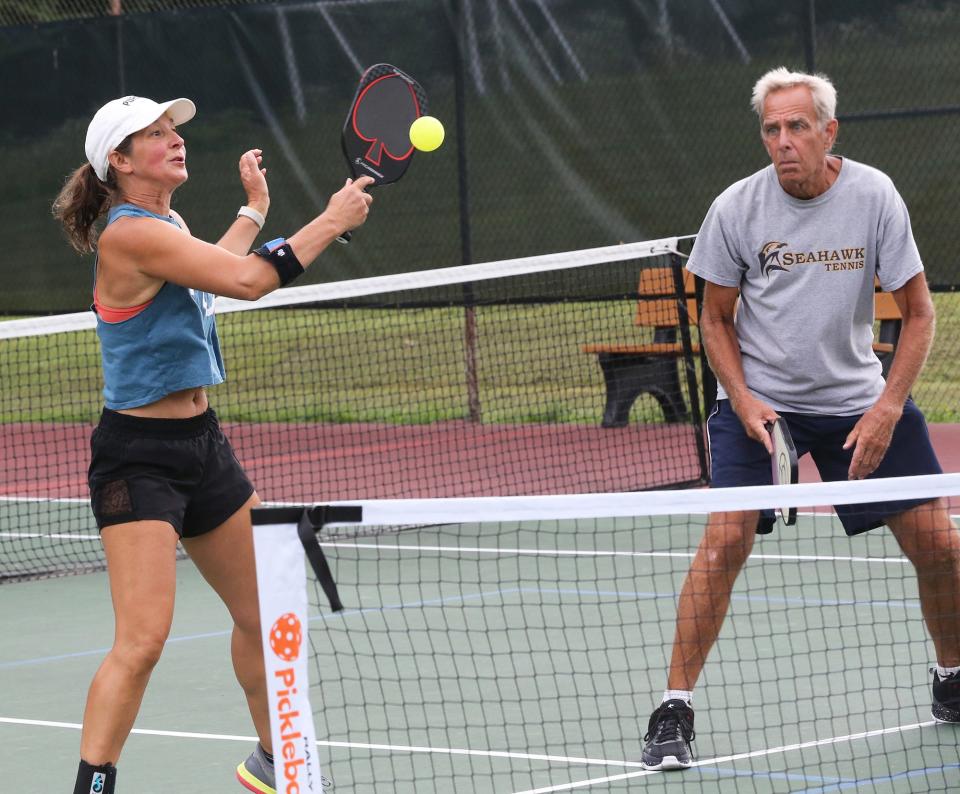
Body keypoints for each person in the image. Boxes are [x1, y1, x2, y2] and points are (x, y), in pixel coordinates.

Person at [640, 67, 960, 771]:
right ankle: (673, 708)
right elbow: (714, 319)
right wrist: (747, 399)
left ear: (828, 131)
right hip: (762, 410)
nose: (784, 142)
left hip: (856, 402)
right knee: (724, 543)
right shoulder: (736, 209)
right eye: (772, 130)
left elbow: (920, 312)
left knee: (940, 547)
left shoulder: (874, 195)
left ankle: (951, 678)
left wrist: (886, 408)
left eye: (797, 127)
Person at [52, 95, 374, 794]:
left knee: (265, 613)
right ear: (120, 159)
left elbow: (209, 273)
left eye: (175, 131)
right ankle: (93, 787)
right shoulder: (127, 234)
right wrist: (331, 220)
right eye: (156, 135)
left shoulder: (165, 225)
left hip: (204, 447)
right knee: (142, 643)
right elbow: (248, 280)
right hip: (138, 459)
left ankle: (273, 758)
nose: (175, 141)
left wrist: (253, 211)